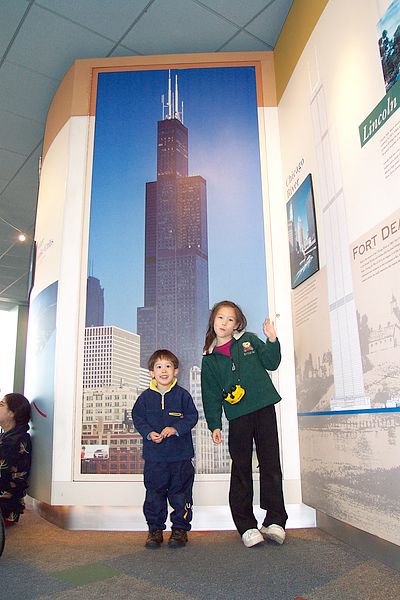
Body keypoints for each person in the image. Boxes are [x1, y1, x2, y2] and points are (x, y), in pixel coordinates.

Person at [201, 300, 287, 548]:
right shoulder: (209, 359)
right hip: (238, 415)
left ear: (237, 324)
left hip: (264, 407)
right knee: (241, 467)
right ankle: (246, 525)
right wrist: (214, 424)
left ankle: (276, 521)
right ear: (213, 321)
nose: (224, 323)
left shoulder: (249, 340)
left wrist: (272, 339)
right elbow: (210, 394)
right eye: (220, 318)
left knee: (270, 462)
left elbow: (272, 362)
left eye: (230, 319)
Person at [132, 349, 198, 548]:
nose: (163, 370)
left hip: (180, 458)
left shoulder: (182, 395)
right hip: (155, 459)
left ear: (175, 371)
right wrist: (148, 433)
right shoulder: (144, 398)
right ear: (151, 372)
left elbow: (192, 417)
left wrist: (175, 429)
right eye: (158, 367)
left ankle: (180, 530)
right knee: (154, 494)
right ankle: (155, 530)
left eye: (168, 366)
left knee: (181, 494)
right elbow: (138, 418)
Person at [0, 393, 32, 526]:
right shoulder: (8, 437)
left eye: (1, 404)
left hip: (5, 507)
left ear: (12, 413)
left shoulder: (15, 441)